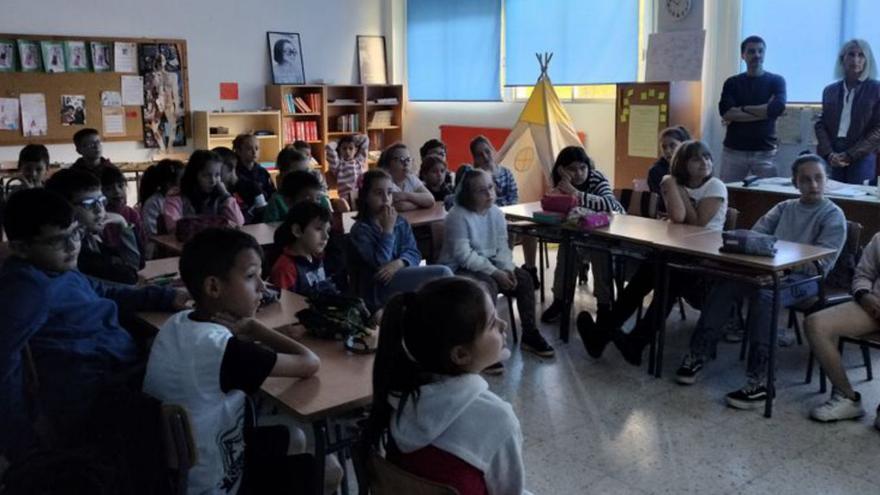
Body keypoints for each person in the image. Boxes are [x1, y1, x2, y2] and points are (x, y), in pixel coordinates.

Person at [142, 228, 338, 494]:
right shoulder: (226, 351)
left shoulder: (177, 323)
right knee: (330, 469)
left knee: (295, 436)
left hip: (183, 476)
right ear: (213, 287)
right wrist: (258, 329)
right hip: (219, 482)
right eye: (250, 277)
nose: (262, 286)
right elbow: (310, 362)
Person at [0, 188, 188, 461]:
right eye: (58, 240)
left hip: (117, 366)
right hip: (94, 393)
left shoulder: (60, 271)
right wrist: (23, 448)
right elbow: (5, 365)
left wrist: (167, 297)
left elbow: (106, 292)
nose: (72, 245)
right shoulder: (27, 289)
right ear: (20, 247)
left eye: (75, 233)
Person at [677, 154, 846, 410]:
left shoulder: (833, 215)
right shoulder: (784, 208)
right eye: (805, 179)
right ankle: (698, 353)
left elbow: (821, 263)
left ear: (826, 180)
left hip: (807, 280)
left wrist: (782, 271)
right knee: (726, 284)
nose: (812, 184)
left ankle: (762, 381)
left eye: (818, 178)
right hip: (770, 271)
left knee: (767, 296)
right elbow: (755, 238)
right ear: (794, 182)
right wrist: (762, 262)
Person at [362, 277, 530, 495]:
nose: (504, 324)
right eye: (491, 323)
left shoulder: (401, 398)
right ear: (460, 354)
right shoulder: (498, 420)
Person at [578, 140, 728, 366]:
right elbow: (678, 219)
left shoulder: (715, 186)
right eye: (697, 159)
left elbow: (697, 224)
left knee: (669, 280)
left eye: (707, 157)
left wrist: (678, 189)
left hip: (704, 259)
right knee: (643, 278)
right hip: (677, 251)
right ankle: (610, 338)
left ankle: (621, 340)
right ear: (683, 163)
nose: (704, 163)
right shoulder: (676, 183)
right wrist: (673, 185)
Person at [439, 167, 555, 362]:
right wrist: (495, 273)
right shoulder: (457, 216)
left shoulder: (496, 213)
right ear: (468, 194)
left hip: (489, 264)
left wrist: (508, 269)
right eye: (481, 191)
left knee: (524, 278)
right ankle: (482, 346)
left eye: (491, 187)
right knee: (487, 286)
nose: (489, 194)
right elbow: (464, 255)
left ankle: (530, 334)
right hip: (460, 268)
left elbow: (502, 246)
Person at [540, 146, 624, 324]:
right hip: (581, 234)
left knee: (598, 250)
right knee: (567, 247)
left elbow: (610, 204)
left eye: (582, 167)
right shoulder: (562, 183)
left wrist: (575, 193)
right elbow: (553, 205)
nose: (579, 173)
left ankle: (604, 305)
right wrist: (563, 186)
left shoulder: (596, 178)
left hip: (610, 235)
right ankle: (560, 301)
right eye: (572, 169)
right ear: (562, 169)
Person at [349, 169, 452, 312]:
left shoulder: (400, 222)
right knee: (443, 273)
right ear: (366, 196)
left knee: (439, 287)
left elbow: (414, 253)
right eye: (379, 193)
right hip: (377, 289)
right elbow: (381, 265)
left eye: (390, 192)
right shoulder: (361, 230)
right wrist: (387, 231)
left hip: (400, 275)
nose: (386, 199)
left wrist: (400, 262)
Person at [806, 231, 880, 427]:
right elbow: (862, 275)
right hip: (873, 306)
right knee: (816, 324)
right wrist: (865, 295)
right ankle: (847, 397)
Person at [46, 169, 144, 285]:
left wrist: (123, 224)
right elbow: (129, 277)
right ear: (65, 208)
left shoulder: (89, 238)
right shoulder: (73, 249)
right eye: (89, 204)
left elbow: (137, 265)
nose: (99, 210)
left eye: (101, 201)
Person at [469, 135, 540, 289]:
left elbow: (514, 198)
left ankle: (530, 268)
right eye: (480, 155)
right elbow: (479, 205)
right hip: (486, 222)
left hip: (508, 214)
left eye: (488, 152)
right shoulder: (474, 177)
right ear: (475, 159)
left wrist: (504, 208)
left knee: (530, 228)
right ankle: (506, 267)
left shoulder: (506, 173)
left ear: (493, 151)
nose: (486, 157)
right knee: (508, 229)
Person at [718, 35, 787, 182]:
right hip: (733, 152)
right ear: (743, 55)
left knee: (767, 196)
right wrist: (765, 111)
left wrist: (741, 109)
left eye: (760, 51)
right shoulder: (732, 83)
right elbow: (726, 112)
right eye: (751, 51)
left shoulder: (776, 81)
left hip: (766, 152)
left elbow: (776, 109)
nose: (757, 55)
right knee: (728, 195)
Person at [815, 39, 880, 185]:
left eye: (861, 55)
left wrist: (851, 155)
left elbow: (878, 129)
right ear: (842, 59)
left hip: (861, 153)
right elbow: (821, 124)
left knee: (857, 201)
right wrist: (829, 153)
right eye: (851, 54)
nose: (855, 60)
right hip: (832, 153)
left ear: (867, 60)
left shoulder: (876, 90)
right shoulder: (829, 91)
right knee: (832, 197)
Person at [162, 150, 245, 235]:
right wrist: (217, 225)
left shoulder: (220, 197)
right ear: (194, 176)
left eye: (217, 175)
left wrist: (226, 195)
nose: (213, 181)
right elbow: (174, 228)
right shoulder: (177, 198)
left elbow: (239, 223)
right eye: (206, 175)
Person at [269, 201, 337, 297]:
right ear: (297, 231)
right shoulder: (285, 269)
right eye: (318, 229)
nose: (326, 236)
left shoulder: (317, 256)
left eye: (328, 231)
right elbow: (283, 306)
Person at [264, 148, 330, 223]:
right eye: (299, 172)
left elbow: (328, 219)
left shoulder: (318, 196)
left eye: (306, 171)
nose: (305, 176)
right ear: (284, 175)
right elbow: (269, 227)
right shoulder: (276, 200)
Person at [138, 159, 184, 258]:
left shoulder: (183, 199)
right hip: (158, 249)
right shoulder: (153, 202)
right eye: (183, 180)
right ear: (169, 184)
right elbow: (154, 233)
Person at [101, 165, 146, 266]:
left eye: (120, 186)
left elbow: (141, 243)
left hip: (133, 261)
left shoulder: (132, 214)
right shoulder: (100, 216)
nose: (117, 191)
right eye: (109, 189)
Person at [377, 143, 435, 211]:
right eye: (401, 160)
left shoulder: (410, 178)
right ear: (387, 165)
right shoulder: (384, 182)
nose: (406, 164)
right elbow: (401, 206)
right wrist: (421, 203)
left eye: (408, 160)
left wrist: (405, 195)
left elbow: (430, 200)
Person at [647, 126, 691, 213]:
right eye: (664, 147)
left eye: (672, 145)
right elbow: (660, 203)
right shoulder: (656, 171)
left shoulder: (693, 166)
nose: (667, 151)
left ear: (684, 146)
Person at [233, 134, 274, 223]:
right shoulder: (234, 173)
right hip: (244, 216)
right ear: (239, 151)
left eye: (257, 148)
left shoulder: (262, 172)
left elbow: (271, 192)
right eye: (249, 149)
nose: (254, 152)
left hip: (263, 214)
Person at [326, 134, 368, 208]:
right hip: (346, 196)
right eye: (344, 148)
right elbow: (329, 147)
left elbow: (365, 139)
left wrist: (351, 138)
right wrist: (339, 141)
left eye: (351, 148)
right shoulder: (338, 165)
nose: (347, 152)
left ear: (356, 150)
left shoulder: (360, 161)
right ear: (339, 150)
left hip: (361, 194)